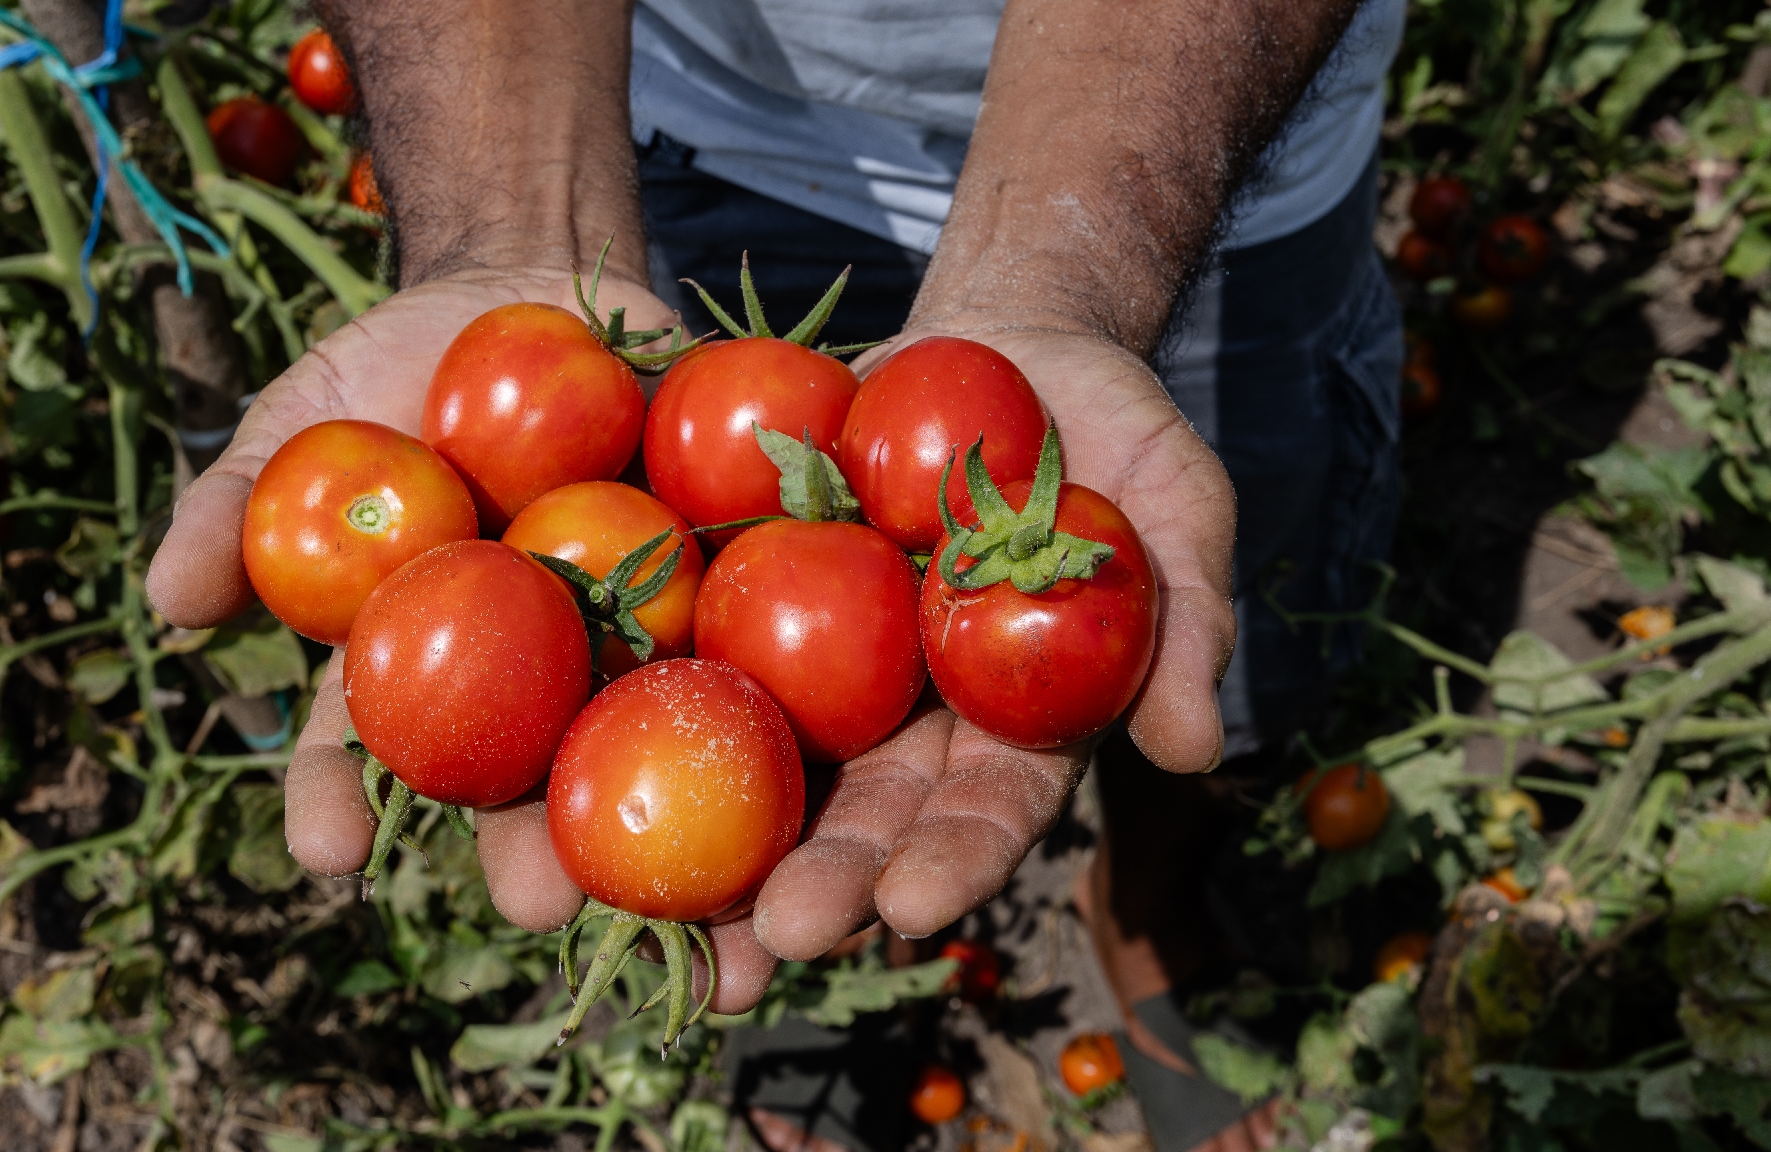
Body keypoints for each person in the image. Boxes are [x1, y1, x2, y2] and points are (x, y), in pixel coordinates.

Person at [147, 1, 1405, 1148]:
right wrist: (515, 223)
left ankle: (1146, 913)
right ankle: (820, 963)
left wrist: (1063, 278)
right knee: (858, 842)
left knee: (1226, 674)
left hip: (1190, 149)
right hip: (702, 127)